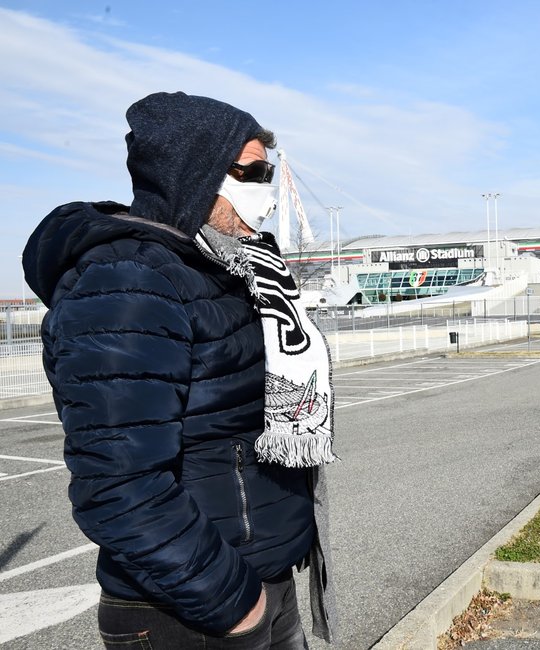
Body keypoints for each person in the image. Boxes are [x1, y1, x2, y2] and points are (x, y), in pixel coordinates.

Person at [22, 92, 337, 648]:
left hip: (258, 582)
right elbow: (119, 483)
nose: (266, 192)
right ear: (195, 174)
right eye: (255, 172)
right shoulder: (130, 284)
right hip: (191, 609)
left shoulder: (229, 272)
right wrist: (235, 603)